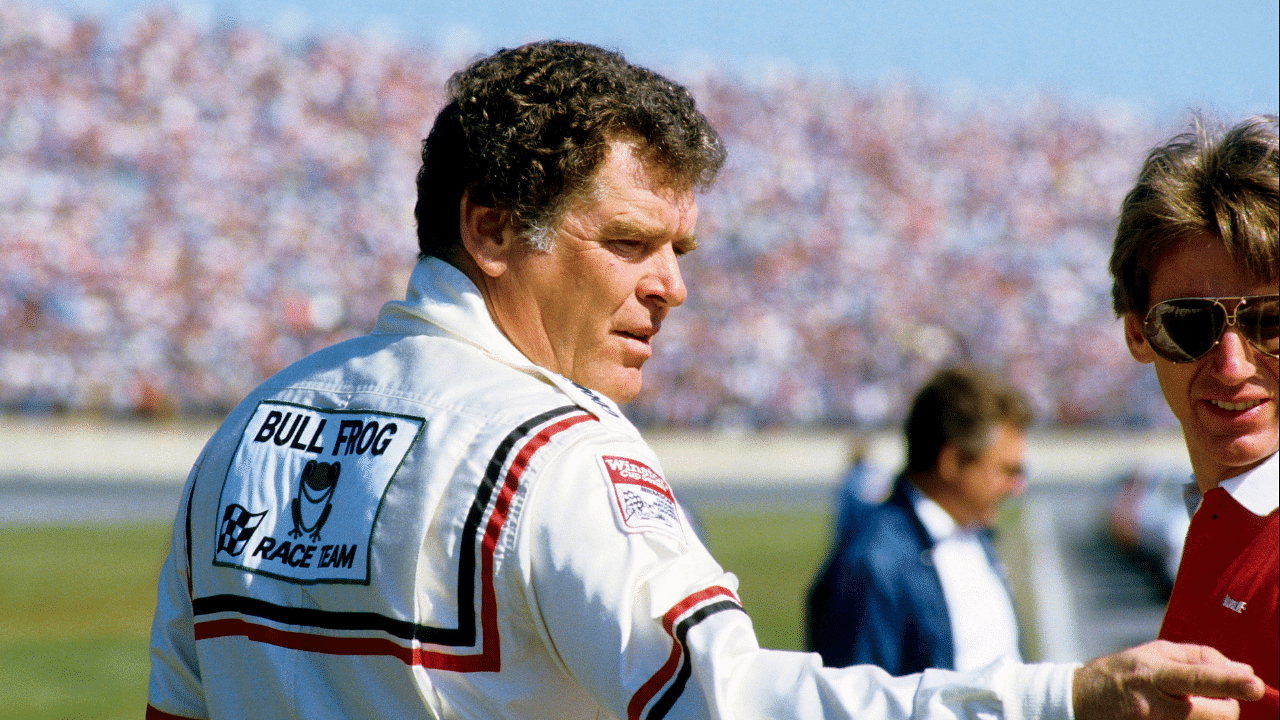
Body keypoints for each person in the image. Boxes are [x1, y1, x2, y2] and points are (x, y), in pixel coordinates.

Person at [147, 40, 1264, 720]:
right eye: (629, 243)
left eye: (679, 249)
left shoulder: (247, 433)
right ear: (491, 230)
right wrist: (1056, 699)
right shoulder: (550, 449)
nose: (670, 288)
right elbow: (735, 703)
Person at [1110, 114, 1279, 719]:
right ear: (1137, 333)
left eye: (1270, 321)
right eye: (1190, 324)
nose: (1233, 366)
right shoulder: (1222, 518)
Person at [807, 367, 1029, 674]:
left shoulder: (971, 534)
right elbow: (853, 705)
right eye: (1007, 470)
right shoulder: (871, 563)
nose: (1018, 486)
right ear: (952, 462)